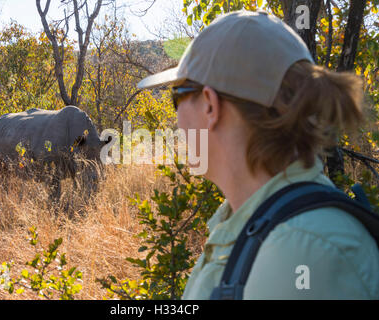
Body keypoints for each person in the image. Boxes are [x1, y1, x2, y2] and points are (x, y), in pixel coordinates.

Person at [136, 10, 379, 299]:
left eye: (177, 96)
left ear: (209, 105)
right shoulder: (258, 223)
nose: (176, 121)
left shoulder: (302, 251)